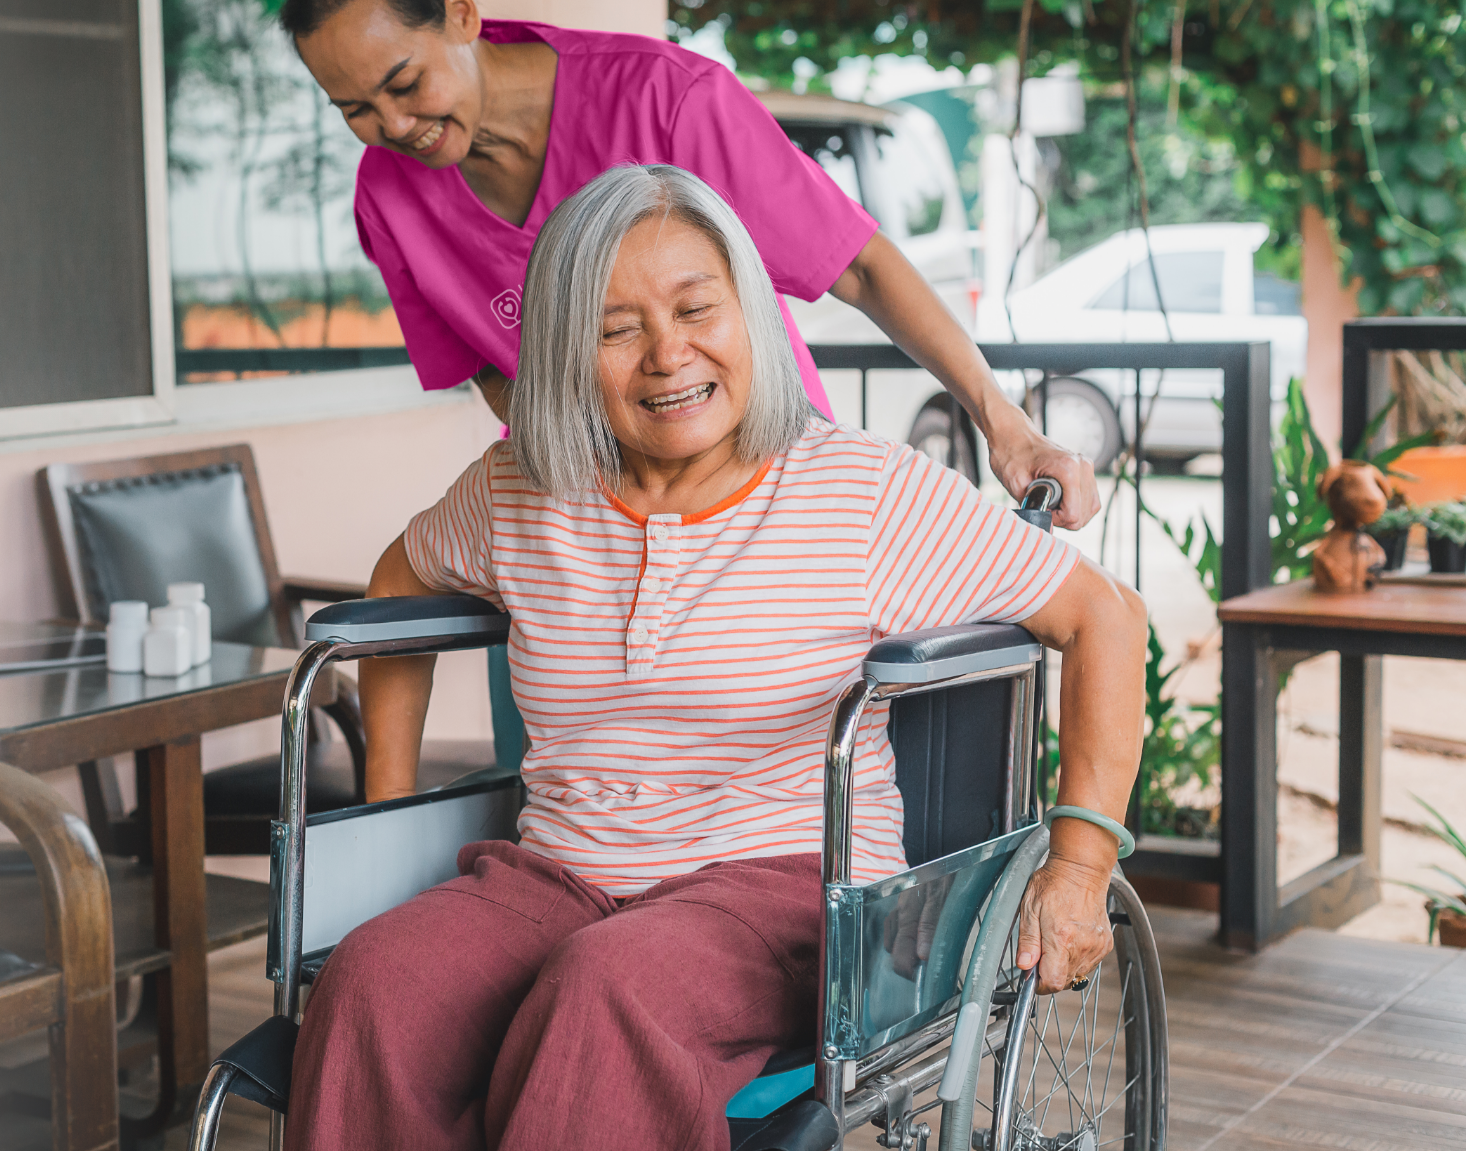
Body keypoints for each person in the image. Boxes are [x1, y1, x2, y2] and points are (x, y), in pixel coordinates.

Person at [286, 165, 1146, 1149]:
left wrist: (1078, 864)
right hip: (555, 873)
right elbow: (399, 580)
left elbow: (1104, 619)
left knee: (604, 990)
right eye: (616, 328)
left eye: (696, 308)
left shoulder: (858, 491)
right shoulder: (522, 486)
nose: (666, 354)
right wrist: (391, 815)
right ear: (568, 348)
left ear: (749, 315)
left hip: (780, 890)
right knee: (375, 979)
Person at [284, 0, 1099, 530]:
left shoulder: (667, 101)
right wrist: (594, 470)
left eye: (403, 83)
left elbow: (856, 264)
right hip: (583, 529)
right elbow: (492, 372)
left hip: (760, 511)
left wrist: (1007, 427)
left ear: (460, 11)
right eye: (353, 108)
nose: (392, 126)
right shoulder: (385, 195)